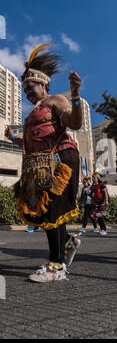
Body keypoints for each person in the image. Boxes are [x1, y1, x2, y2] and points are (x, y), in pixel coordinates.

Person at [5, 43, 82, 282]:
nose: (28, 92)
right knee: (44, 211)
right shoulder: (33, 113)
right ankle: (67, 242)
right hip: (40, 165)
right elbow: (32, 143)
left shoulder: (56, 100)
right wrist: (14, 138)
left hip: (61, 160)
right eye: (25, 89)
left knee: (50, 210)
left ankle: (56, 266)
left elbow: (75, 123)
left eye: (32, 87)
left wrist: (76, 95)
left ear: (44, 84)